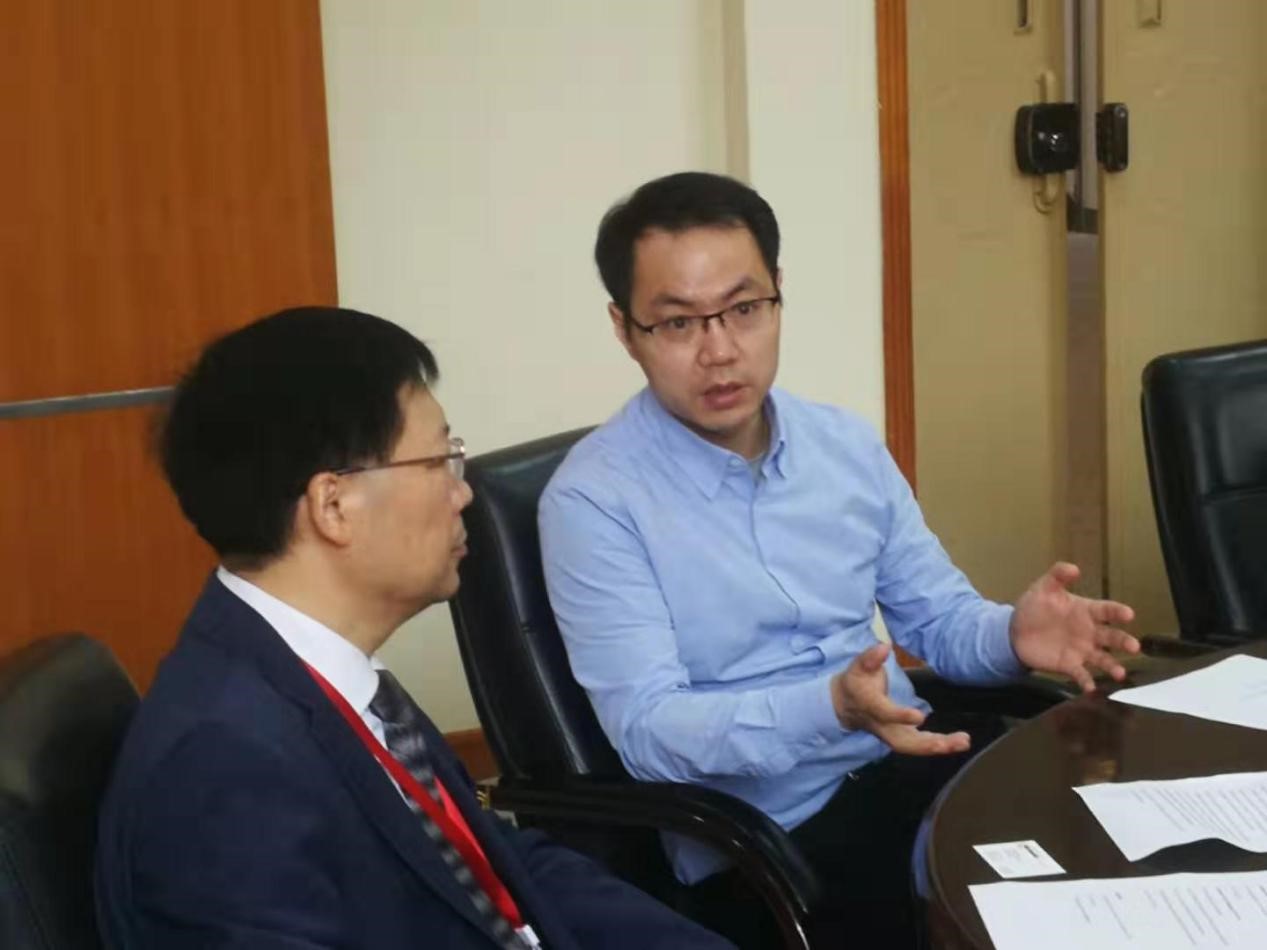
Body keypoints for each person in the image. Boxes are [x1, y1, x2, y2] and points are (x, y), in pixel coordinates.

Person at [537, 172, 1139, 948]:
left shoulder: (843, 445)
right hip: (767, 840)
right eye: (678, 323)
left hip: (912, 762)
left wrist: (1010, 636)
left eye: (744, 309)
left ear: (778, 295)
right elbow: (649, 731)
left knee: (1113, 857)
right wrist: (830, 707)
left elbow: (939, 619)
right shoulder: (593, 501)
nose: (720, 351)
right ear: (625, 329)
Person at [95, 306, 734, 950]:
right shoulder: (224, 768)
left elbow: (501, 868)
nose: (464, 494)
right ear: (333, 505)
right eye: (440, 461)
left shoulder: (326, 677)